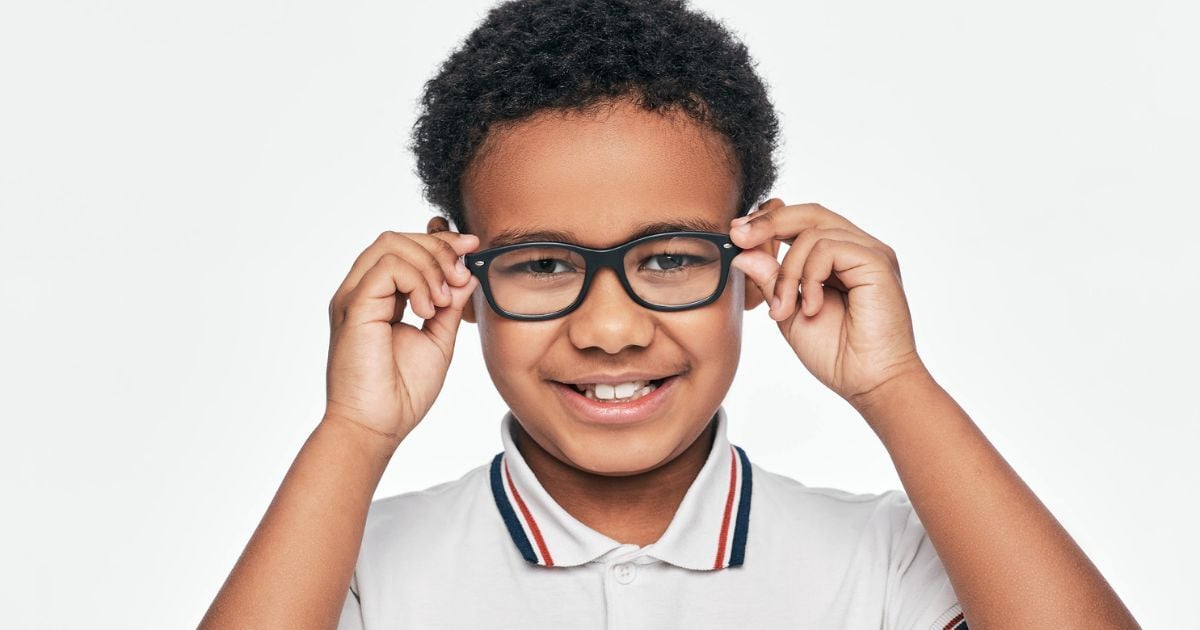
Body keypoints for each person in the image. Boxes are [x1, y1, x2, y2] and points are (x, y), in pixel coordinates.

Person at [200, 0, 1138, 627]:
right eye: (539, 263)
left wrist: (896, 386)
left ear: (753, 260)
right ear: (457, 274)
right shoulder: (354, 572)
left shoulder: (888, 560)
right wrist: (354, 432)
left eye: (669, 258)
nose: (610, 328)